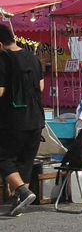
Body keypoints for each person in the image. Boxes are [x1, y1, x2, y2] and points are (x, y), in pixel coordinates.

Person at [0, 24, 45, 216]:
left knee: (3, 157)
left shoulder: (3, 59)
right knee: (25, 160)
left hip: (14, 119)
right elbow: (41, 87)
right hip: (36, 119)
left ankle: (22, 191)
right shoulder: (32, 58)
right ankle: (21, 200)